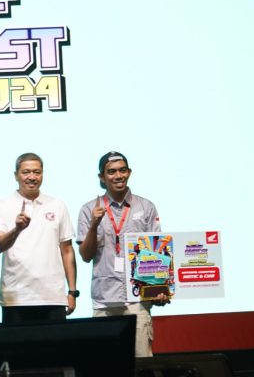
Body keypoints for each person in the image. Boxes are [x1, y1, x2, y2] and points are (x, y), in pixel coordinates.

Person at [77, 151, 169, 357]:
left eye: (122, 170)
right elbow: (85, 255)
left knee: (141, 365)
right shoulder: (89, 209)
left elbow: (156, 253)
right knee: (105, 366)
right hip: (104, 301)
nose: (118, 175)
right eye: (111, 172)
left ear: (129, 172)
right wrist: (94, 225)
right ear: (102, 177)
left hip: (137, 302)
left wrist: (160, 289)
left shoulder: (146, 207)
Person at [0, 153, 78, 324]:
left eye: (37, 172)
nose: (32, 177)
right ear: (16, 175)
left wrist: (72, 292)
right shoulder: (2, 206)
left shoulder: (57, 205)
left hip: (53, 297)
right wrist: (17, 229)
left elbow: (67, 250)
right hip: (15, 297)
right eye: (26, 172)